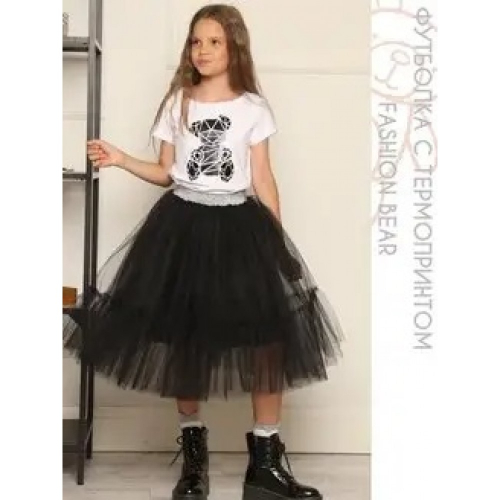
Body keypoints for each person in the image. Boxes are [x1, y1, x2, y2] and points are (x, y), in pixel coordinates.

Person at [64, 4, 344, 500]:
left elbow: (263, 179)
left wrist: (277, 245)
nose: (203, 50)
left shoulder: (253, 107)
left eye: (214, 41)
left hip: (240, 228)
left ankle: (264, 464)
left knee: (269, 340)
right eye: (196, 41)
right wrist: (122, 159)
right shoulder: (179, 102)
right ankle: (194, 459)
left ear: (235, 46)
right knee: (184, 339)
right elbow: (166, 172)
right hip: (183, 226)